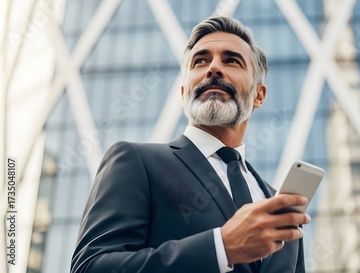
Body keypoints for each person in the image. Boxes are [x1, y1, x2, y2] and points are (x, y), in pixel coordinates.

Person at [71, 15, 309, 273]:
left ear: (259, 95)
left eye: (231, 60)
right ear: (184, 91)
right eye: (200, 61)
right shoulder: (136, 161)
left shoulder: (278, 204)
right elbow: (91, 267)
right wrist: (221, 248)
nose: (213, 68)